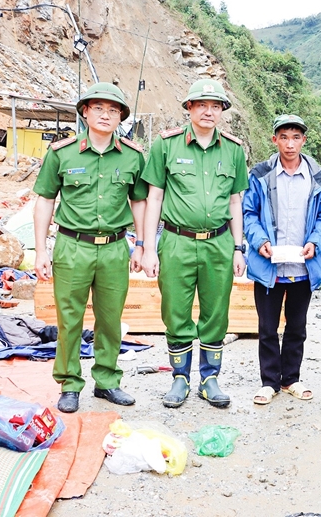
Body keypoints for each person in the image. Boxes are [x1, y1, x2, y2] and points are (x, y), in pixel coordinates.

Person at [33, 83, 147, 413]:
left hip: (114, 248)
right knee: (69, 319)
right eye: (98, 108)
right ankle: (69, 383)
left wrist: (141, 245)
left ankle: (107, 380)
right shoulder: (62, 153)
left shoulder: (133, 156)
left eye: (113, 110)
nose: (105, 115)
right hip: (72, 246)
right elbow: (45, 200)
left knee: (110, 318)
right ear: (85, 111)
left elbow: (139, 202)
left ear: (121, 117)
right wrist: (40, 250)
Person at [141, 79, 248, 409]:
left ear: (222, 111)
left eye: (216, 106)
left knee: (216, 311)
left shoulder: (233, 149)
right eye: (202, 105)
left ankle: (209, 379)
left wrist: (238, 248)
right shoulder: (166, 145)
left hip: (219, 242)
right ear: (189, 107)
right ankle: (180, 378)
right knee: (175, 310)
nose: (208, 112)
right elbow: (154, 197)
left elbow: (235, 201)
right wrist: (148, 248)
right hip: (177, 241)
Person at [243, 114, 321, 405]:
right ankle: (269, 382)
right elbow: (249, 213)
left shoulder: (318, 178)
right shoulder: (260, 175)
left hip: (302, 266)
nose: (290, 143)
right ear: (275, 140)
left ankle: (291, 379)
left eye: (296, 137)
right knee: (267, 328)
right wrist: (260, 241)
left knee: (297, 327)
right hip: (268, 265)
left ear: (303, 140)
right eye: (283, 137)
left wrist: (315, 242)